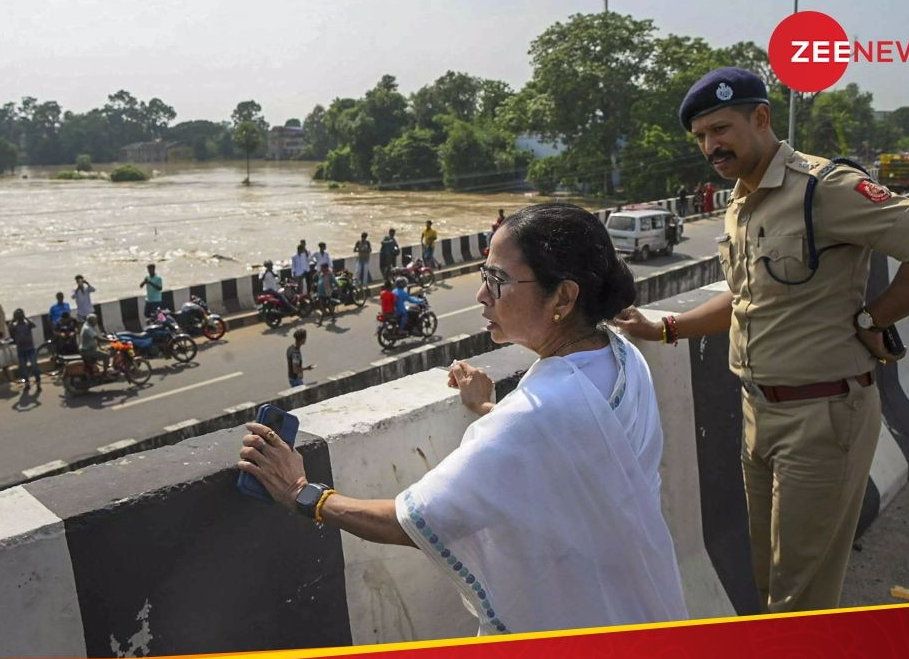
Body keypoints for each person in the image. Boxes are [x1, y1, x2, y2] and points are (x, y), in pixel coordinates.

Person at [239, 203, 687, 635]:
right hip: (639, 603)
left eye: (496, 279)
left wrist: (303, 493)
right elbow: (572, 448)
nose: (481, 294)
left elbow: (411, 519)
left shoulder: (538, 413)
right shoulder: (621, 357)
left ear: (564, 297)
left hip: (572, 630)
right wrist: (489, 409)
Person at [614, 66, 909, 614]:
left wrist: (872, 321)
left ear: (762, 118)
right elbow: (747, 299)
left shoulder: (826, 188)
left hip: (823, 415)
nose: (710, 146)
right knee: (769, 575)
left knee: (801, 595)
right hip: (758, 413)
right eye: (701, 137)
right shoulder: (742, 203)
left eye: (720, 130)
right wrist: (665, 327)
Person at [8, 308, 40, 391]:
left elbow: (34, 325)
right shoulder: (15, 327)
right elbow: (10, 328)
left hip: (30, 349)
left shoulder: (27, 324)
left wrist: (26, 318)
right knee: (23, 368)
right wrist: (13, 320)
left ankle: (38, 382)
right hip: (21, 350)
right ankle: (27, 383)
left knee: (35, 366)